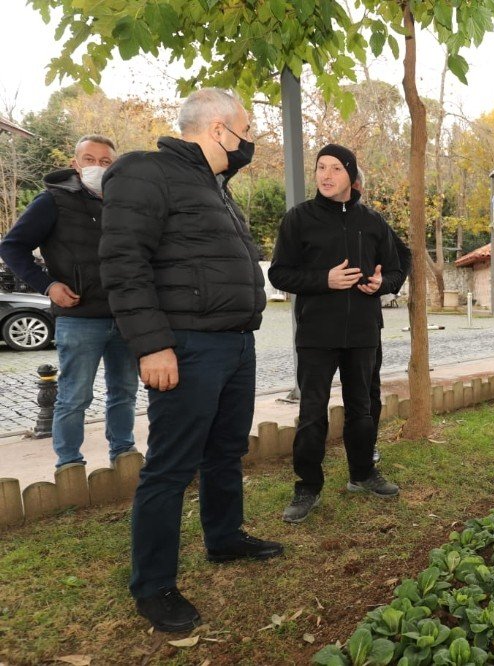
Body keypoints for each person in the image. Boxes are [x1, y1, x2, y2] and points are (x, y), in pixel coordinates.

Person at [100, 88, 283, 633]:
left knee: (225, 451)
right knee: (171, 467)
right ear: (218, 129)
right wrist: (152, 344)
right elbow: (123, 263)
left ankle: (224, 538)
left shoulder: (213, 186)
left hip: (235, 343)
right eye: (246, 130)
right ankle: (153, 585)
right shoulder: (147, 173)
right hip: (186, 345)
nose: (250, 141)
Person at [270, 144, 404, 523]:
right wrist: (323, 280)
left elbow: (396, 270)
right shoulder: (299, 219)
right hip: (316, 334)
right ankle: (307, 487)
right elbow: (279, 273)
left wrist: (381, 284)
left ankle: (362, 474)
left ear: (351, 176)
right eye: (321, 168)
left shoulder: (373, 222)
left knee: (362, 409)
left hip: (363, 333)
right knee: (312, 413)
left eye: (335, 169)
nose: (326, 176)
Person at [0, 135, 139, 469]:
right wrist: (48, 285)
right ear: (75, 164)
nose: (97, 166)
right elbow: (12, 247)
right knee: (75, 395)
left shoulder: (126, 203)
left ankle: (124, 454)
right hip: (79, 317)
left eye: (105, 161)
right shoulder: (52, 201)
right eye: (90, 159)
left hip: (126, 315)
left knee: (125, 392)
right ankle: (69, 463)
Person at [352, 169, 412, 464]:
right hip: (321, 326)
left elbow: (403, 257)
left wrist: (384, 285)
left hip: (365, 323)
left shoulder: (373, 221)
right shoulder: (307, 218)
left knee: (367, 391)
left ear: (358, 187)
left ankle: (367, 446)